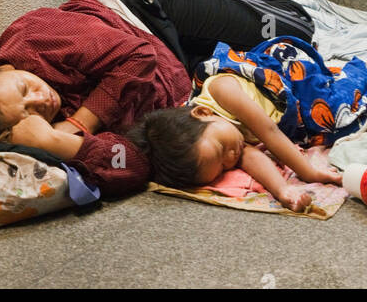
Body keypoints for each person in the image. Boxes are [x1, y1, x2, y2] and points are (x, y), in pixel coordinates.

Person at [0, 0, 315, 198]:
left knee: (298, 28)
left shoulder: (32, 38)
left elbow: (137, 55)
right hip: (182, 76)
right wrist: (58, 144)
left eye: (25, 88)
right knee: (266, 67)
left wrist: (78, 123)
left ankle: (263, 5)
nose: (41, 100)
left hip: (141, 4)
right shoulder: (42, 132)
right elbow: (134, 166)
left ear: (1, 68)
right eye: (30, 112)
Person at [126, 66, 343, 211]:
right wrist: (282, 190)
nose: (232, 158)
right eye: (223, 168)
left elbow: (269, 132)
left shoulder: (222, 91)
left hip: (283, 75)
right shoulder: (226, 140)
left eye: (221, 149)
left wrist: (309, 172)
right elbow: (253, 159)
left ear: (202, 113)